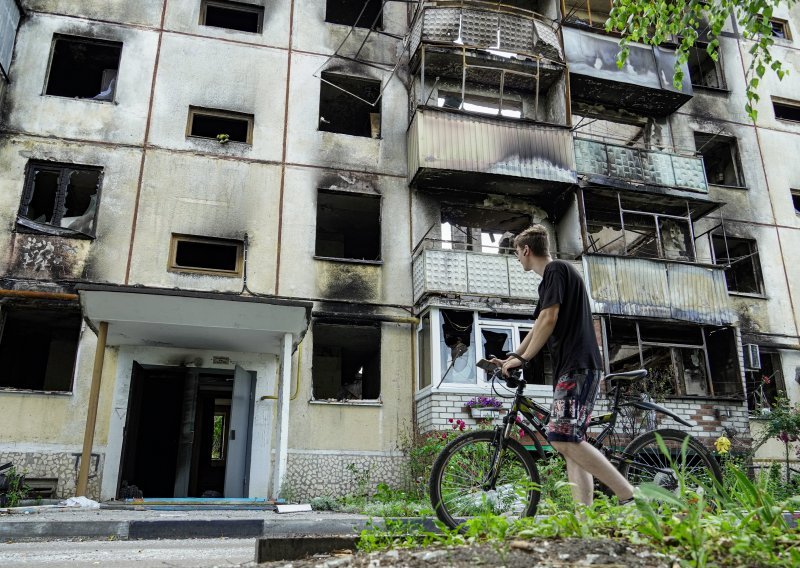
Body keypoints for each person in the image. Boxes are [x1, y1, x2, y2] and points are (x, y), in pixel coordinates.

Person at [491, 224, 634, 506]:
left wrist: (524, 359)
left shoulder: (556, 270)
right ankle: (584, 519)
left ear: (526, 250)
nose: (518, 259)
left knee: (561, 437)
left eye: (517, 254)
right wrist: (513, 357)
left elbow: (548, 320)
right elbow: (537, 326)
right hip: (573, 366)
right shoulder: (551, 279)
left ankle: (629, 495)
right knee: (570, 445)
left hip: (578, 364)